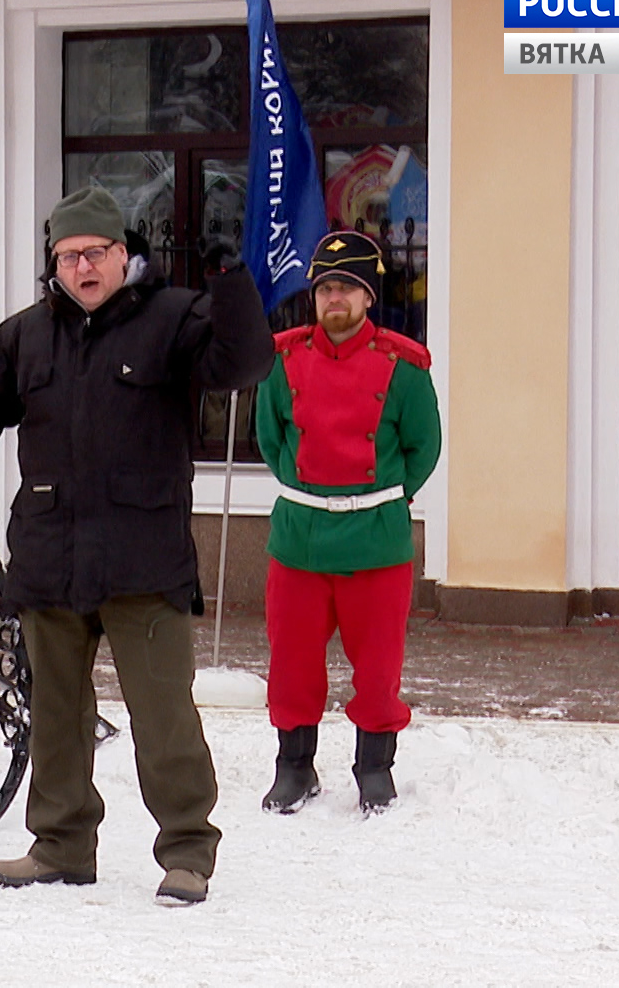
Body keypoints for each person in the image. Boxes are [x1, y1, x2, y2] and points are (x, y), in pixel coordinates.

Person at [0, 187, 274, 906]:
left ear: (123, 254)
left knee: (164, 717)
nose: (82, 268)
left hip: (144, 559)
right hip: (50, 555)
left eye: (95, 253)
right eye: (69, 257)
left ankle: (187, 851)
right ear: (54, 264)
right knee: (55, 717)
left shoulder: (172, 318)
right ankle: (62, 844)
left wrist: (230, 285)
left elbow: (243, 364)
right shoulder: (26, 338)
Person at [253, 230, 442, 815]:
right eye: (325, 288)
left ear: (367, 297)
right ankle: (294, 767)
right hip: (300, 541)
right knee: (291, 664)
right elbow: (271, 441)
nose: (334, 298)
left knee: (379, 668)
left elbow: (424, 448)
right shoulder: (282, 360)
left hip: (375, 543)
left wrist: (379, 501)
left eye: (346, 288)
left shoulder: (404, 367)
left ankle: (374, 768)